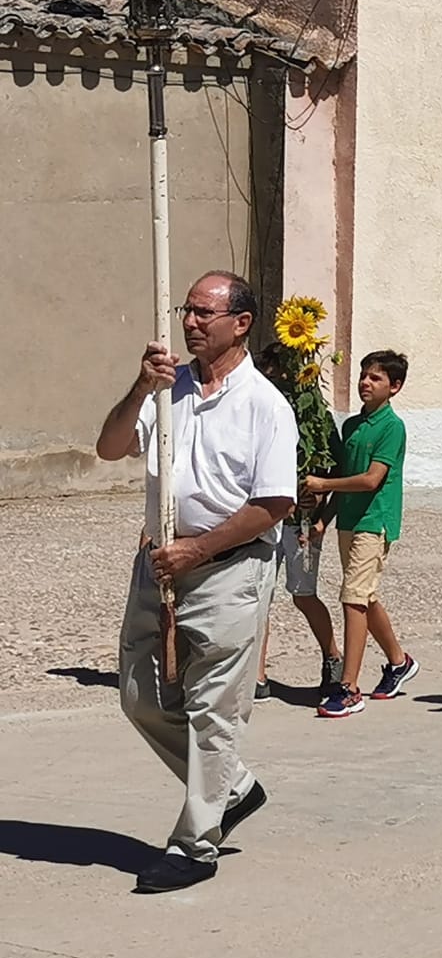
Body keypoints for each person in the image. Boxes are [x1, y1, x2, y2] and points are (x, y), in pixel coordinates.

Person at [94, 270, 297, 892]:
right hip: (159, 564)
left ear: (241, 324)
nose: (190, 322)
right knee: (140, 696)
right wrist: (139, 387)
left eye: (205, 313)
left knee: (214, 713)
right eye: (188, 310)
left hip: (229, 568)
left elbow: (274, 504)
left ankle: (194, 844)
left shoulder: (265, 405)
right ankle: (231, 788)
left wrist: (199, 549)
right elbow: (109, 447)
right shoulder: (168, 391)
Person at [304, 351, 418, 717]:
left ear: (394, 387)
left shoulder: (392, 427)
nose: (366, 383)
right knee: (365, 596)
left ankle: (349, 687)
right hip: (349, 521)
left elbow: (371, 479)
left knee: (352, 597)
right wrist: (324, 518)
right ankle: (399, 662)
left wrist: (323, 482)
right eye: (363, 376)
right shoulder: (352, 426)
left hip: (375, 520)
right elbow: (345, 479)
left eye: (377, 379)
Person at [250, 341, 342, 702]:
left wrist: (320, 515)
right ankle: (257, 674)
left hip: (302, 523)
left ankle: (332, 655)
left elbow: (335, 470)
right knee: (258, 595)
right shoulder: (259, 412)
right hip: (262, 518)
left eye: (279, 375)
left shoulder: (315, 415)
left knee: (303, 594)